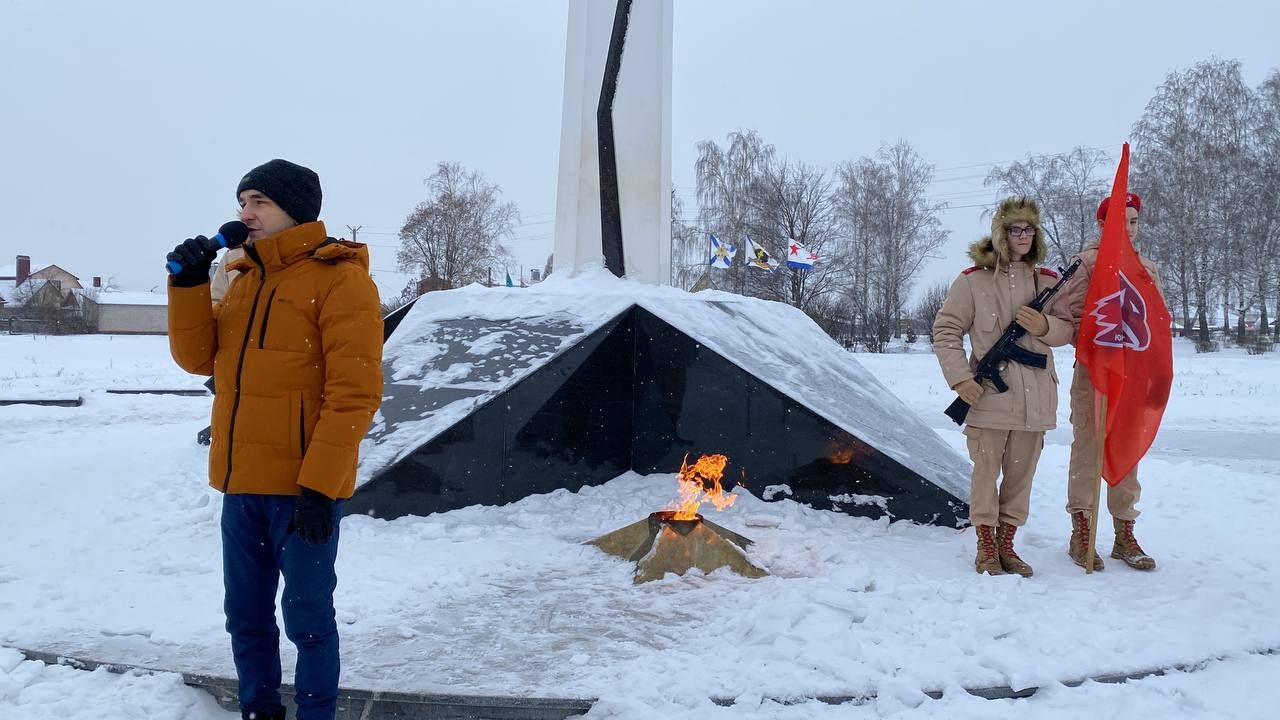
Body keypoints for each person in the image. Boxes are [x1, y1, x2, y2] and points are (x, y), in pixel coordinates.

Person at [166, 158, 383, 720]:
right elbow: (196, 359)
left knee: (309, 620)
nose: (246, 213)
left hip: (301, 490)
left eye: (259, 201)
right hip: (241, 488)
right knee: (247, 616)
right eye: (242, 202)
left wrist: (320, 485)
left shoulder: (341, 279)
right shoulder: (242, 279)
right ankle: (259, 711)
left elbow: (353, 394)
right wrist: (188, 285)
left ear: (295, 209)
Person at [933, 197, 1074, 576]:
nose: (1024, 236)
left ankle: (1007, 546)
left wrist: (1044, 327)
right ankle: (985, 546)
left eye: (1029, 229)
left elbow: (1069, 329)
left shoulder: (1047, 281)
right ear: (1001, 233)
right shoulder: (973, 281)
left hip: (1037, 399)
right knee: (985, 474)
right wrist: (961, 378)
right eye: (1016, 229)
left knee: (1020, 477)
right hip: (990, 397)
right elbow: (946, 331)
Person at [1059, 192, 1159, 571]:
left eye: (1134, 222)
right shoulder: (1085, 265)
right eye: (1122, 222)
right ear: (1103, 225)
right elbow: (1066, 315)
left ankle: (1124, 532)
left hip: (1133, 377)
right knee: (1089, 447)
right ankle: (1081, 529)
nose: (1129, 229)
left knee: (1126, 449)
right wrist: (1096, 336)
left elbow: (1155, 326)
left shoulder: (1146, 268)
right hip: (1094, 373)